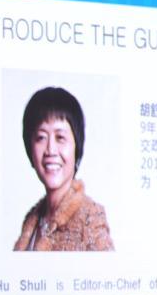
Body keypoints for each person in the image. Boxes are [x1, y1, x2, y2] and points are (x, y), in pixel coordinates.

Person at [13, 86, 114, 251]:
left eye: (60, 137)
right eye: (41, 137)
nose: (50, 150)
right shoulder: (32, 221)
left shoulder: (90, 221)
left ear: (76, 147)